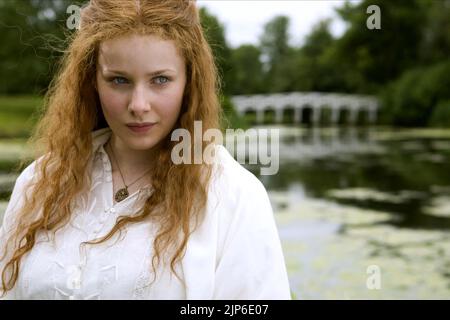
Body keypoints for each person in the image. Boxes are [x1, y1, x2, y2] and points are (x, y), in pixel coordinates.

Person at [0, 0, 291, 300]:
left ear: (189, 82)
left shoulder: (233, 196)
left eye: (160, 80)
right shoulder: (41, 181)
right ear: (92, 82)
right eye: (119, 80)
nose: (138, 105)